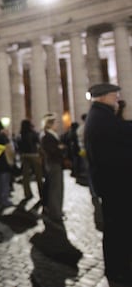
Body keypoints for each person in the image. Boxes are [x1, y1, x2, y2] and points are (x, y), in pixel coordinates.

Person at [84, 83, 132, 285]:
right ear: (102, 97)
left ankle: (119, 266)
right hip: (115, 183)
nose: (116, 99)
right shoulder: (101, 118)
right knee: (116, 229)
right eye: (114, 96)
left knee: (117, 228)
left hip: (112, 182)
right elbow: (120, 134)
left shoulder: (100, 116)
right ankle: (117, 269)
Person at [39, 113, 66, 223]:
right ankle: (55, 213)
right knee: (55, 189)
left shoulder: (51, 135)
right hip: (53, 163)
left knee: (57, 188)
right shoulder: (47, 136)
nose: (57, 125)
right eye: (55, 123)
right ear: (50, 124)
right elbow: (53, 150)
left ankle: (57, 210)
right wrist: (60, 149)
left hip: (54, 163)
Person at [16, 119, 44, 202]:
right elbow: (38, 142)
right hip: (34, 155)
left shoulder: (21, 134)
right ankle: (41, 193)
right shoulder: (33, 133)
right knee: (38, 175)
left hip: (24, 155)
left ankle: (27, 193)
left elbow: (18, 145)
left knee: (26, 176)